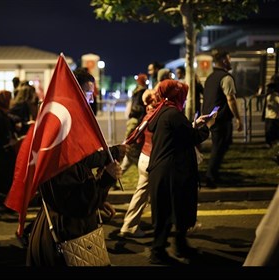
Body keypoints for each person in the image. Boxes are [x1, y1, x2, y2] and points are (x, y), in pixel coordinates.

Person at [26, 69, 125, 266]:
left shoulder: (64, 129)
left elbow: (81, 167)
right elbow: (74, 200)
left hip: (67, 226)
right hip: (65, 234)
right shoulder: (60, 137)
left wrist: (98, 198)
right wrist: (104, 180)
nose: (90, 101)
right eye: (88, 95)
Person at [146, 80, 214, 265]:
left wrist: (194, 124)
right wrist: (207, 126)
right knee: (177, 210)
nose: (184, 99)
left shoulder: (161, 112)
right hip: (173, 172)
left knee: (165, 213)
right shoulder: (174, 114)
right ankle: (160, 251)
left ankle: (174, 246)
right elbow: (193, 137)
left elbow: (179, 134)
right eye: (183, 95)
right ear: (178, 96)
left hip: (161, 170)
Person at [118, 89, 159, 238]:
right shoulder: (155, 114)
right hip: (150, 158)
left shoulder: (148, 114)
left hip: (144, 157)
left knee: (141, 193)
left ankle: (129, 225)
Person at [202, 50, 243, 189]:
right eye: (229, 59)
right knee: (219, 147)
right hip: (221, 119)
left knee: (221, 145)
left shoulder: (211, 77)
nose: (230, 61)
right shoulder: (226, 78)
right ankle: (210, 177)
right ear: (224, 61)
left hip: (212, 118)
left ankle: (214, 174)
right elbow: (230, 99)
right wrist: (238, 118)